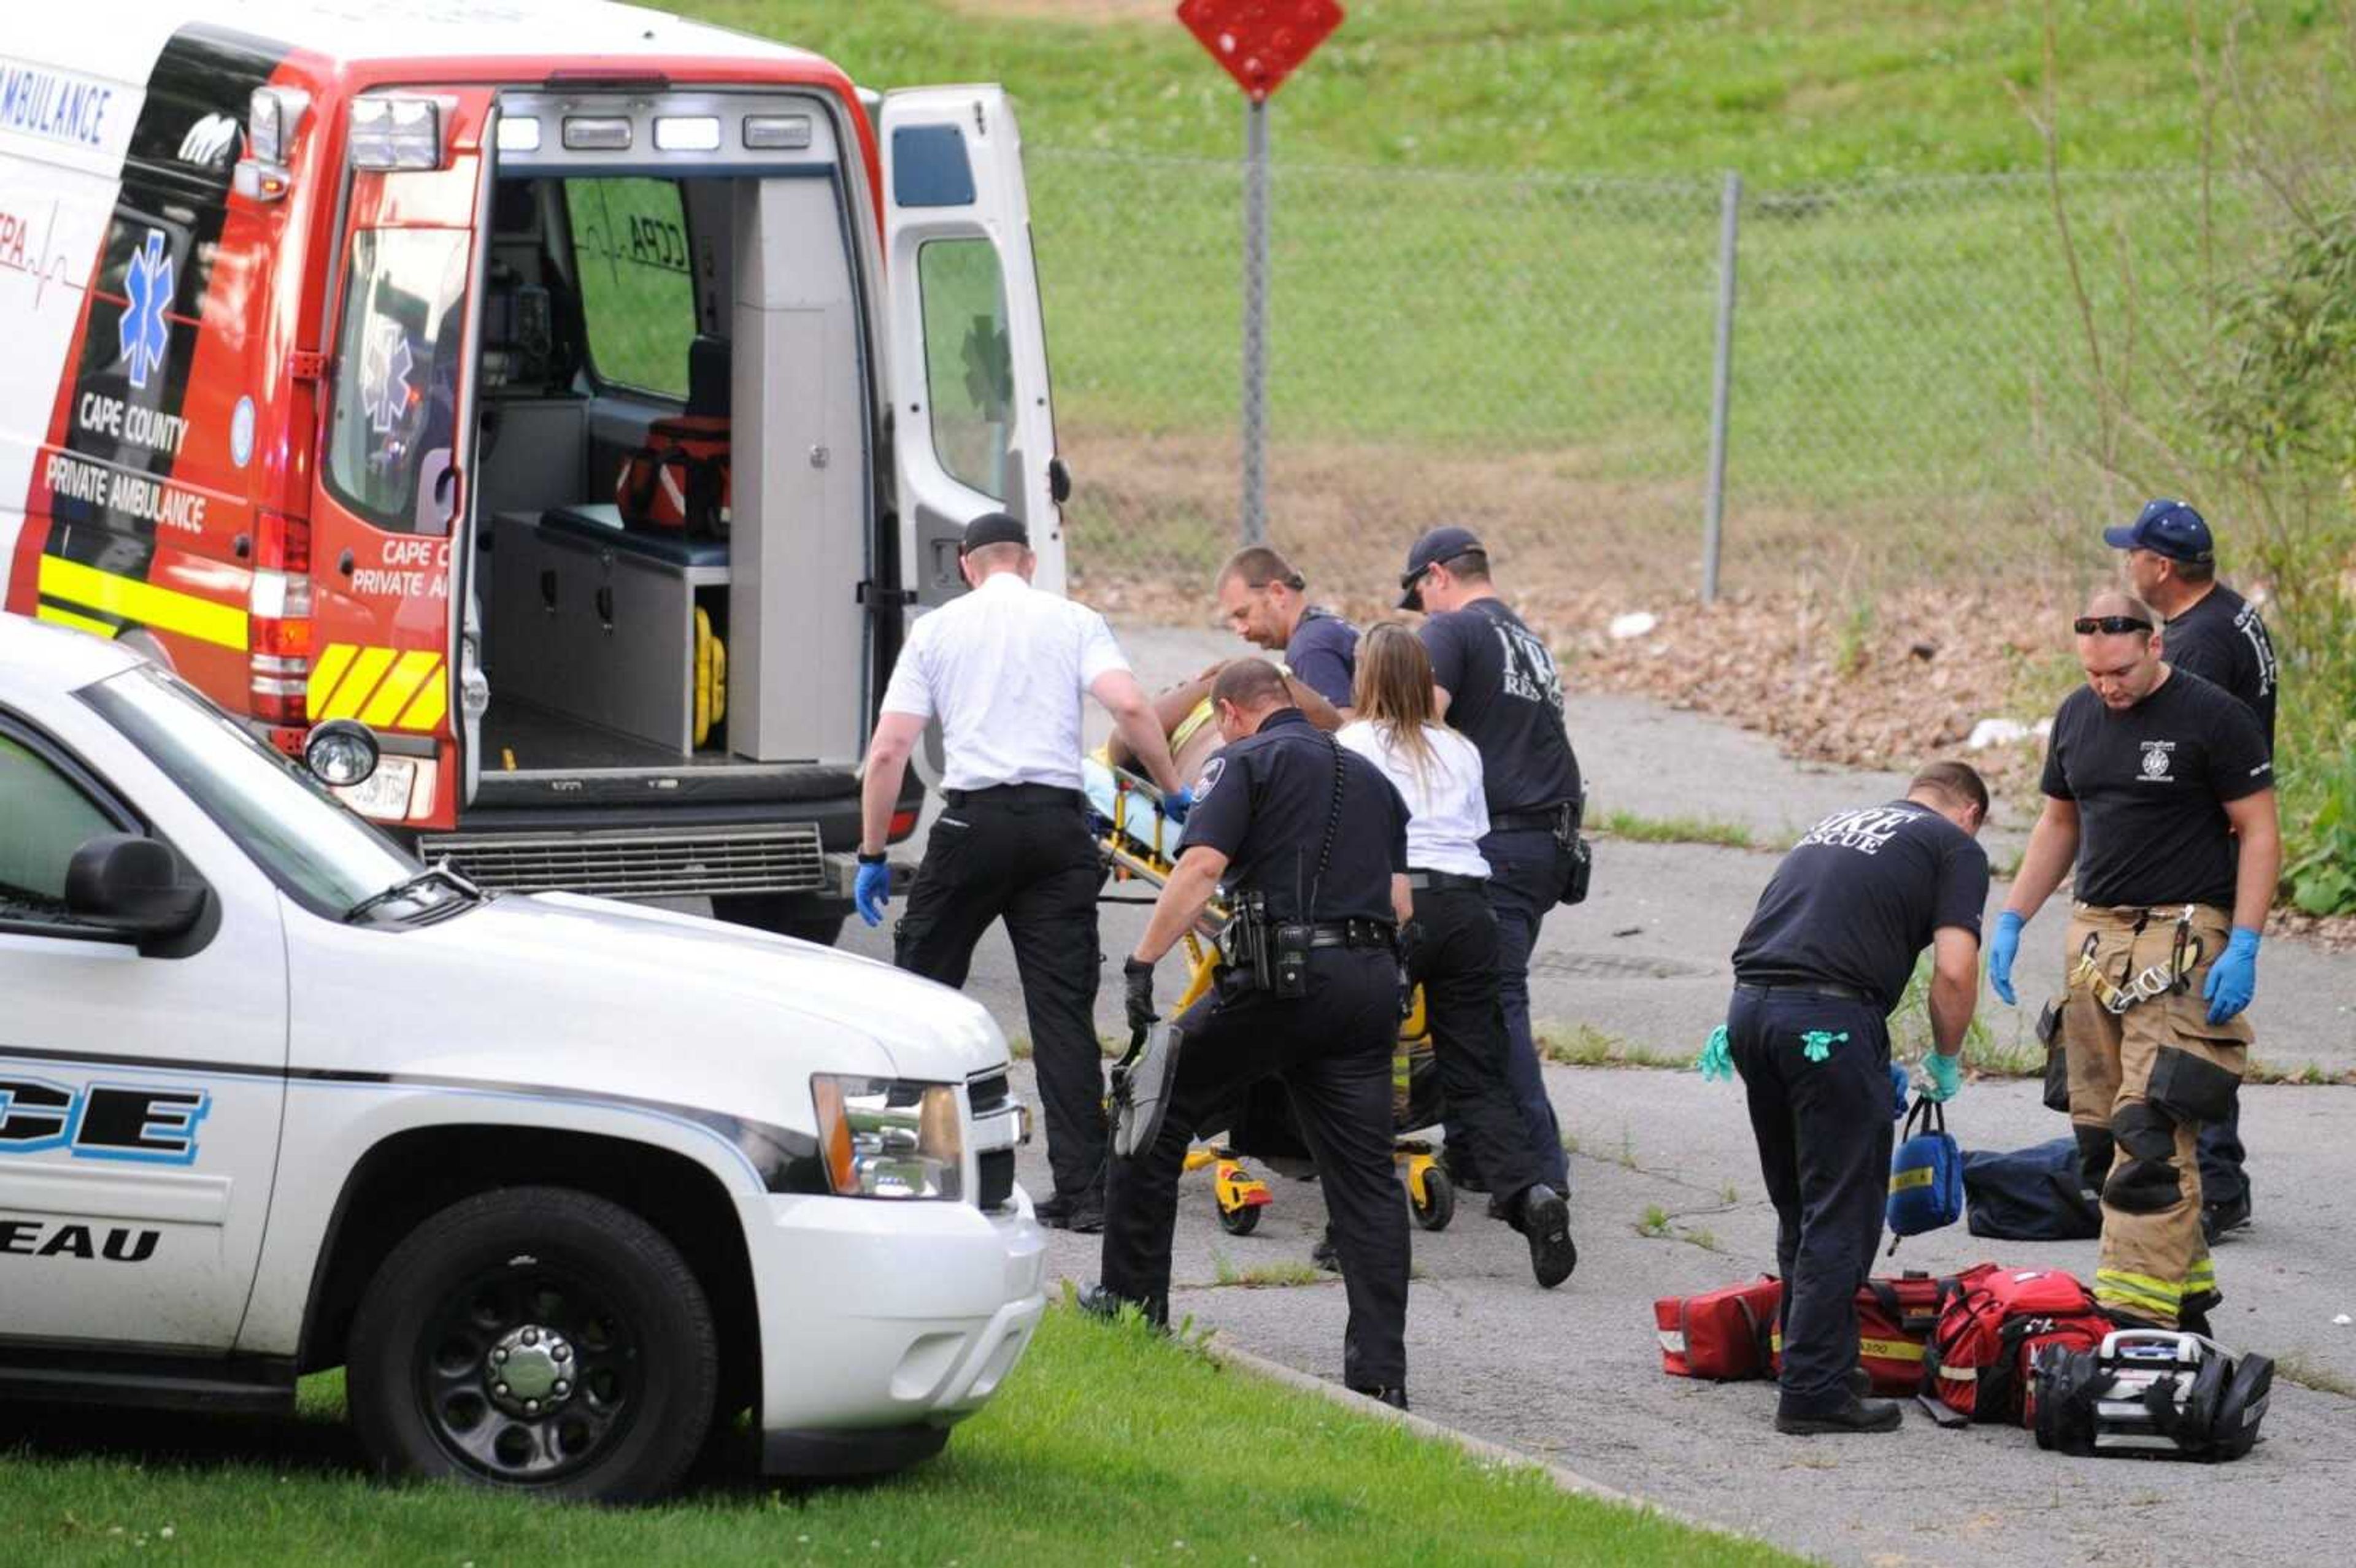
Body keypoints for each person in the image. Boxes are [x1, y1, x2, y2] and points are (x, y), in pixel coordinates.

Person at [1087, 658, 1415, 1406]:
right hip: (1367, 989)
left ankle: (1132, 1306)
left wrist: (1143, 964)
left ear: (1230, 713)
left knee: (1153, 1108)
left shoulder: (1244, 760)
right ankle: (1378, 1377)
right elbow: (1401, 905)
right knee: (1364, 1179)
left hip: (1279, 982)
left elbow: (1201, 865)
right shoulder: (1372, 779)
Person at [856, 512, 1188, 1234]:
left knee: (914, 998)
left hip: (972, 826)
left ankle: (904, 1170)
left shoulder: (938, 630)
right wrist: (1171, 787)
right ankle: (1085, 1193)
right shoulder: (1074, 620)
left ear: (969, 567)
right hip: (1058, 830)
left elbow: (888, 752)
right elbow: (1129, 704)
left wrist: (873, 854)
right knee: (1062, 1015)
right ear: (1029, 563)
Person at [1987, 590, 2279, 1332]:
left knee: (2152, 1126)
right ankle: (2183, 1296)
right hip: (2094, 940)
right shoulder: (2078, 715)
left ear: (2153, 647)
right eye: (2094, 674)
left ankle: (2131, 1318)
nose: (2108, 688)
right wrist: (2015, 914)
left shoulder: (2214, 717)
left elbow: (2259, 831)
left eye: (2119, 671)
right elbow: (2061, 821)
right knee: (2097, 1133)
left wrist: (2243, 942)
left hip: (2182, 938)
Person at [1701, 762, 1991, 1434]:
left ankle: (1813, 1361)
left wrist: (1865, 1048)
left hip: (1752, 1013)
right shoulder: (1956, 846)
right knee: (1842, 1209)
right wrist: (1945, 1060)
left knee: (1801, 1204)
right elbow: (1954, 967)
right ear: (1970, 811)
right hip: (1827, 1021)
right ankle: (1813, 1393)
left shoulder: (1835, 824)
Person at [1337, 623, 1576, 1288]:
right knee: (1477, 1070)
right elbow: (1472, 831)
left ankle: (1348, 1226)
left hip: (1396, 907)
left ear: (1369, 678)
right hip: (1472, 909)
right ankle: (1530, 1194)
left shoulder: (1353, 744)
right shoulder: (1461, 750)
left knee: (1362, 1062)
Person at [2104, 499, 2279, 1241]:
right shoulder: (2230, 613)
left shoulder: (2197, 651)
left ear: (2162, 567)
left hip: (2203, 850)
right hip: (2222, 830)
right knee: (2191, 1015)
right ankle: (2210, 1172)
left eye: (2134, 553)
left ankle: (2215, 1180)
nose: (2128, 563)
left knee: (2186, 1023)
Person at [1398, 526, 1580, 1199]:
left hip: (1499, 844)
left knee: (1498, 1005)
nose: (1423, 613)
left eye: (1421, 594)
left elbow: (1414, 729)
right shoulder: (1526, 641)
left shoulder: (1452, 632)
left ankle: (1540, 1176)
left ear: (1438, 575)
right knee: (1470, 998)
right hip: (1544, 845)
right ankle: (1475, 1153)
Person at [1213, 545, 1360, 714]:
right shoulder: (1322, 628)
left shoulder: (1310, 648)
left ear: (1278, 593)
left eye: (1243, 614)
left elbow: (1344, 732)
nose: (1240, 629)